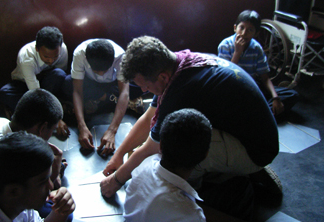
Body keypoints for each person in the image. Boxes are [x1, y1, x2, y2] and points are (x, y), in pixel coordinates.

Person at [100, 36, 279, 203]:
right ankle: (227, 168)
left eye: (145, 86)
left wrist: (116, 180)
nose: (145, 91)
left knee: (172, 153)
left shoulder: (182, 88)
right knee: (161, 144)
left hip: (255, 150)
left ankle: (198, 196)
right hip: (248, 133)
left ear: (162, 77)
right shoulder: (179, 64)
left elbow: (151, 147)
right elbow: (148, 118)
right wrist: (119, 155)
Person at [124, 108, 265, 222]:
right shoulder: (190, 217)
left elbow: (182, 207)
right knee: (243, 188)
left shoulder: (144, 166)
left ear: (161, 144)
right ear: (205, 155)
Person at [0, 89, 70, 219]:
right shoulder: (1, 156)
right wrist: (53, 175)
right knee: (60, 212)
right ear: (41, 129)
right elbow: (17, 202)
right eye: (52, 130)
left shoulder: (1, 122)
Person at [62, 39, 145, 155]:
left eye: (105, 70)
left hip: (112, 84)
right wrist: (81, 126)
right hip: (90, 84)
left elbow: (124, 92)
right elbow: (77, 91)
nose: (101, 74)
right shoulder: (79, 54)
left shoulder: (121, 56)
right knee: (67, 82)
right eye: (96, 71)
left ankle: (103, 101)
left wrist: (112, 131)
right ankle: (113, 101)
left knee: (139, 86)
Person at [218, 10, 299, 118]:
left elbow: (265, 78)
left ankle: (257, 114)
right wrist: (237, 52)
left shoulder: (257, 49)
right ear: (235, 28)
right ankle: (259, 114)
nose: (244, 33)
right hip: (232, 87)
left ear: (256, 33)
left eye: (250, 30)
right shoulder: (225, 45)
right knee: (222, 99)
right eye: (241, 28)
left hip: (252, 87)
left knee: (291, 95)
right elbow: (226, 76)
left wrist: (275, 98)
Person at [0, 26, 68, 129]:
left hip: (44, 82)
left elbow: (60, 74)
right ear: (37, 49)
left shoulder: (62, 49)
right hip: (24, 84)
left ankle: (31, 114)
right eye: (46, 57)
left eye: (55, 57)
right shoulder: (27, 58)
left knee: (59, 74)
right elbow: (36, 93)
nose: (51, 61)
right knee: (5, 93)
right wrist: (56, 119)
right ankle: (48, 111)